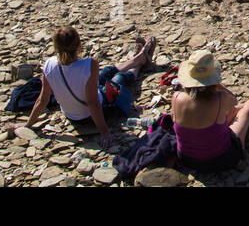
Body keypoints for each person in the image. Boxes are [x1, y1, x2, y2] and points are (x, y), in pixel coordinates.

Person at [13, 27, 155, 145]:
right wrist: (104, 132)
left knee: (105, 72)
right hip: (89, 115)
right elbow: (92, 102)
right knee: (119, 79)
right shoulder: (89, 64)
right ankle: (139, 65)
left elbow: (42, 100)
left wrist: (28, 124)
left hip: (71, 115)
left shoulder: (49, 65)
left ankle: (137, 59)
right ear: (79, 45)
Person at [172, 50, 249, 173]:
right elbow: (234, 101)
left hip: (187, 159)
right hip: (222, 160)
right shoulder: (220, 98)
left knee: (218, 118)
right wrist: (218, 86)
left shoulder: (176, 98)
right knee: (245, 113)